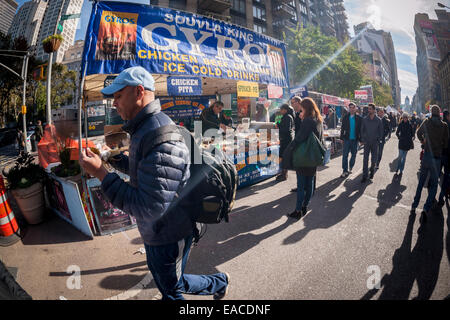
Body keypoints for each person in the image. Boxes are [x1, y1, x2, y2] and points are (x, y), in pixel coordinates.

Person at [79, 66, 229, 300]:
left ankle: (218, 282)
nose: (114, 104)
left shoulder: (158, 134)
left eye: (118, 96)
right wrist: (115, 159)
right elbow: (147, 173)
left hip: (169, 233)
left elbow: (148, 206)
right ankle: (219, 282)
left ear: (139, 92)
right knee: (171, 282)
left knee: (170, 290)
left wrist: (102, 174)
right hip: (159, 230)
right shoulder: (144, 128)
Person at [283, 97, 324, 219]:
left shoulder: (308, 121)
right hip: (313, 156)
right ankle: (305, 207)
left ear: (305, 108)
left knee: (301, 185)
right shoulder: (318, 119)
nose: (300, 111)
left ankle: (297, 210)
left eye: (302, 109)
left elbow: (300, 138)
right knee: (310, 183)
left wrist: (289, 149)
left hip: (304, 156)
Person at [411, 105, 449, 224]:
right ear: (440, 113)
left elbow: (418, 133)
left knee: (421, 182)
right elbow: (446, 143)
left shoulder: (426, 122)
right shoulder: (444, 126)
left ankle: (414, 204)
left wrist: (423, 141)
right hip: (437, 158)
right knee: (433, 185)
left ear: (431, 113)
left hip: (427, 156)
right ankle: (426, 208)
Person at [360, 103, 383, 183]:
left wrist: (378, 140)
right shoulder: (365, 119)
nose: (368, 110)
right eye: (368, 109)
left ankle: (372, 170)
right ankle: (364, 175)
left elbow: (381, 132)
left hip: (375, 143)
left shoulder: (378, 120)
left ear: (374, 110)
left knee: (374, 159)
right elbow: (362, 130)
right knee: (365, 159)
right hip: (366, 142)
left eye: (370, 109)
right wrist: (362, 139)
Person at [339, 103, 362, 178]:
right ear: (349, 109)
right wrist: (341, 138)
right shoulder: (345, 117)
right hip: (347, 139)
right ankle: (344, 170)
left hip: (355, 140)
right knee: (345, 155)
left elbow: (361, 130)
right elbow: (342, 128)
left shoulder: (359, 118)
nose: (351, 109)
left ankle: (351, 166)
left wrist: (361, 139)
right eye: (350, 108)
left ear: (355, 108)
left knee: (354, 155)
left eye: (353, 108)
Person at [275, 104, 295, 182]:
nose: (280, 111)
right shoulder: (285, 117)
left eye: (281, 109)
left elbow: (286, 129)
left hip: (287, 140)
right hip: (285, 139)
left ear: (285, 110)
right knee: (283, 156)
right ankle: (283, 173)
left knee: (285, 156)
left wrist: (278, 126)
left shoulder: (288, 117)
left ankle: (284, 174)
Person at [289, 96, 303, 192]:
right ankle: (300, 186)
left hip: (303, 143)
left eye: (293, 102)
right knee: (299, 166)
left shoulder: (303, 113)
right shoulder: (296, 113)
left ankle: (306, 187)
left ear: (298, 102)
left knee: (304, 167)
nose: (292, 105)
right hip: (298, 142)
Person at [438, 110, 450, 207]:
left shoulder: (442, 125)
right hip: (445, 153)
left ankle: (442, 194)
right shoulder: (445, 125)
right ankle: (443, 194)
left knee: (442, 173)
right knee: (445, 175)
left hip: (442, 152)